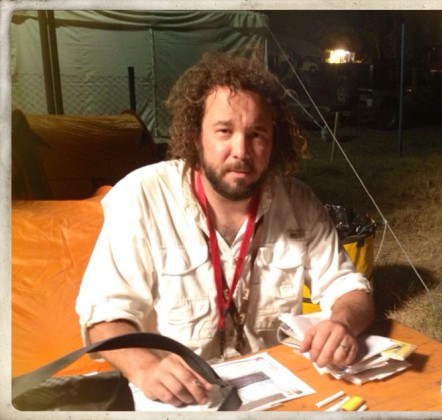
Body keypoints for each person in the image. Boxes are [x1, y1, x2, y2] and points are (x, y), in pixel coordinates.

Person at [75, 51, 375, 407]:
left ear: (274, 141)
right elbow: (103, 318)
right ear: (196, 135)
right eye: (224, 131)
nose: (241, 151)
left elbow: (350, 289)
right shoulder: (142, 197)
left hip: (278, 395)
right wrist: (144, 366)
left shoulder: (299, 202)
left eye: (257, 134)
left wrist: (342, 322)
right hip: (178, 401)